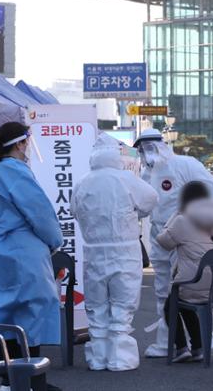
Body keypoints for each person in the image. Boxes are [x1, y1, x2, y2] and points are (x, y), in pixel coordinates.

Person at [133, 128, 213, 358]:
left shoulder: (184, 164)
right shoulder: (147, 173)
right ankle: (169, 342)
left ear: (160, 145)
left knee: (176, 289)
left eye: (149, 147)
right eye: (142, 149)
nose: (146, 153)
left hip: (184, 235)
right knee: (162, 289)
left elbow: (212, 186)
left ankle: (186, 343)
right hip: (160, 234)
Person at [0, 122, 63, 391]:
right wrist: (56, 241)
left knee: (7, 315)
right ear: (20, 143)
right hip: (25, 249)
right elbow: (39, 213)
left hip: (0, 250)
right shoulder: (16, 172)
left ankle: (9, 381)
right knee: (32, 314)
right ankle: (32, 382)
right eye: (27, 141)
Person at [70, 133, 158, 371]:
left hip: (93, 252)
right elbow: (151, 199)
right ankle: (120, 358)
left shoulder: (83, 182)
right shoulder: (126, 179)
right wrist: (134, 213)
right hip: (124, 250)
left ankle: (97, 357)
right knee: (123, 305)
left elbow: (74, 210)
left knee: (96, 305)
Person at [156, 181, 213, 363]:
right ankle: (198, 348)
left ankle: (183, 347)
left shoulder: (182, 220)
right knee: (185, 298)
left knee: (172, 303)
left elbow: (163, 242)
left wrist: (175, 215)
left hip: (193, 284)